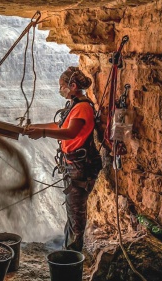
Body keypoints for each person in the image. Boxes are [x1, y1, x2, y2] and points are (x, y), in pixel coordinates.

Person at [25, 66, 102, 252]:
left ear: (72, 85)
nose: (60, 90)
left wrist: (42, 133)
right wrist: (35, 126)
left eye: (62, 86)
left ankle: (72, 257)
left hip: (80, 168)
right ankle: (69, 251)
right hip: (73, 165)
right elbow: (60, 125)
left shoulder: (83, 107)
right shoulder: (75, 105)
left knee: (76, 213)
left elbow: (70, 132)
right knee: (72, 210)